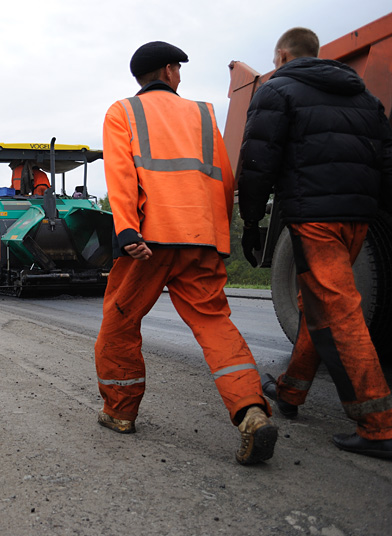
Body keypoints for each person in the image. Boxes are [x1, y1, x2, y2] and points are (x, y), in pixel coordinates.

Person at [96, 41, 277, 465]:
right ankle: (250, 410)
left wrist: (125, 229)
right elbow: (224, 178)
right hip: (200, 239)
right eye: (179, 68)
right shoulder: (202, 113)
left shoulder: (122, 111)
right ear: (170, 70)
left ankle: (119, 413)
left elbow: (121, 174)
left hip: (147, 242)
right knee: (215, 325)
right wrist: (221, 236)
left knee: (120, 323)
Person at [238, 27, 392, 458]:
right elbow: (387, 159)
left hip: (314, 219)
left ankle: (380, 426)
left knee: (340, 312)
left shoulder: (277, 91)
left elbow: (256, 161)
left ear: (283, 56)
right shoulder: (364, 97)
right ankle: (290, 392)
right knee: (318, 304)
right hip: (359, 220)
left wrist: (252, 222)